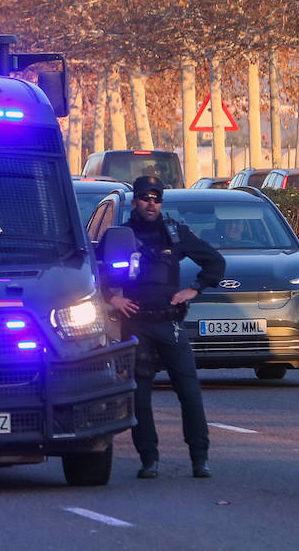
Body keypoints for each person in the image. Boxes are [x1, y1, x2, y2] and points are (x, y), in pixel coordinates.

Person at [107, 175, 225, 480]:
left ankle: (200, 459)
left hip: (169, 323)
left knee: (189, 391)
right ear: (134, 201)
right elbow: (96, 271)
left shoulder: (174, 232)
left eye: (156, 198)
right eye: (145, 198)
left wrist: (194, 289)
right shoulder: (120, 235)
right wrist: (112, 299)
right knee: (140, 396)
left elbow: (215, 262)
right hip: (135, 323)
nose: (151, 203)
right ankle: (149, 459)